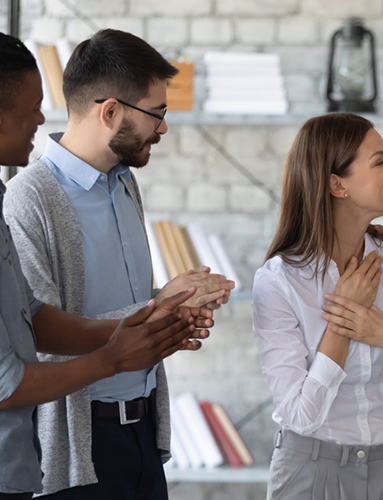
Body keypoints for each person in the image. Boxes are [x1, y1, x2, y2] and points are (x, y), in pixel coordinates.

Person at [3, 29, 235, 499]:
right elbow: (31, 343)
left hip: (144, 432)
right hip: (80, 446)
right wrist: (141, 326)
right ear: (110, 112)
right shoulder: (29, 199)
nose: (164, 128)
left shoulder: (126, 185)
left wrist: (161, 313)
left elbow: (55, 318)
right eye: (158, 113)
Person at [252, 113, 383, 500]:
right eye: (380, 162)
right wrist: (344, 317)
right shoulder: (279, 281)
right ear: (337, 185)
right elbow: (301, 416)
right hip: (309, 472)